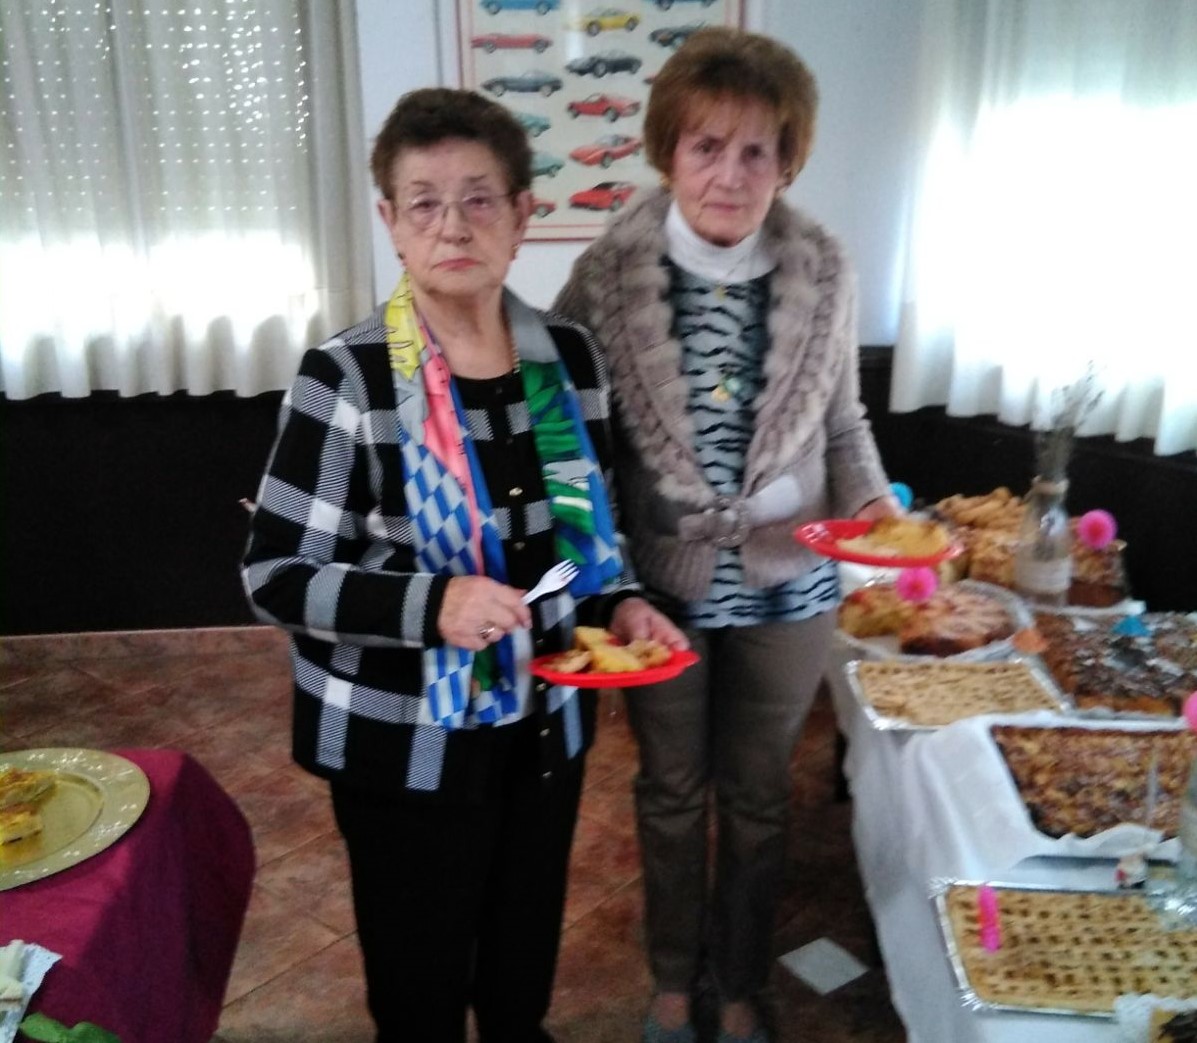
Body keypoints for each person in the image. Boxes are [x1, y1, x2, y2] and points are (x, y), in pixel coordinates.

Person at [241, 87, 686, 1043]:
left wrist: (624, 604)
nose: (453, 225)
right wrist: (430, 603)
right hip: (402, 736)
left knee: (523, 948)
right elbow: (275, 572)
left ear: (522, 215)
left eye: (479, 199)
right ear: (391, 222)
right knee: (419, 976)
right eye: (425, 202)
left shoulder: (568, 360)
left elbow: (589, 542)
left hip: (545, 718)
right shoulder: (345, 378)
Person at [552, 28, 900, 1043]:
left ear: (787, 160)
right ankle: (672, 978)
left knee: (758, 796)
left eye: (757, 150)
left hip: (794, 585)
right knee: (669, 789)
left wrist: (876, 510)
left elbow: (844, 425)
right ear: (668, 150)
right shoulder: (604, 275)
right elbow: (576, 444)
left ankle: (742, 980)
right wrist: (606, 576)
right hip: (659, 591)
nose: (730, 173)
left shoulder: (824, 266)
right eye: (706, 145)